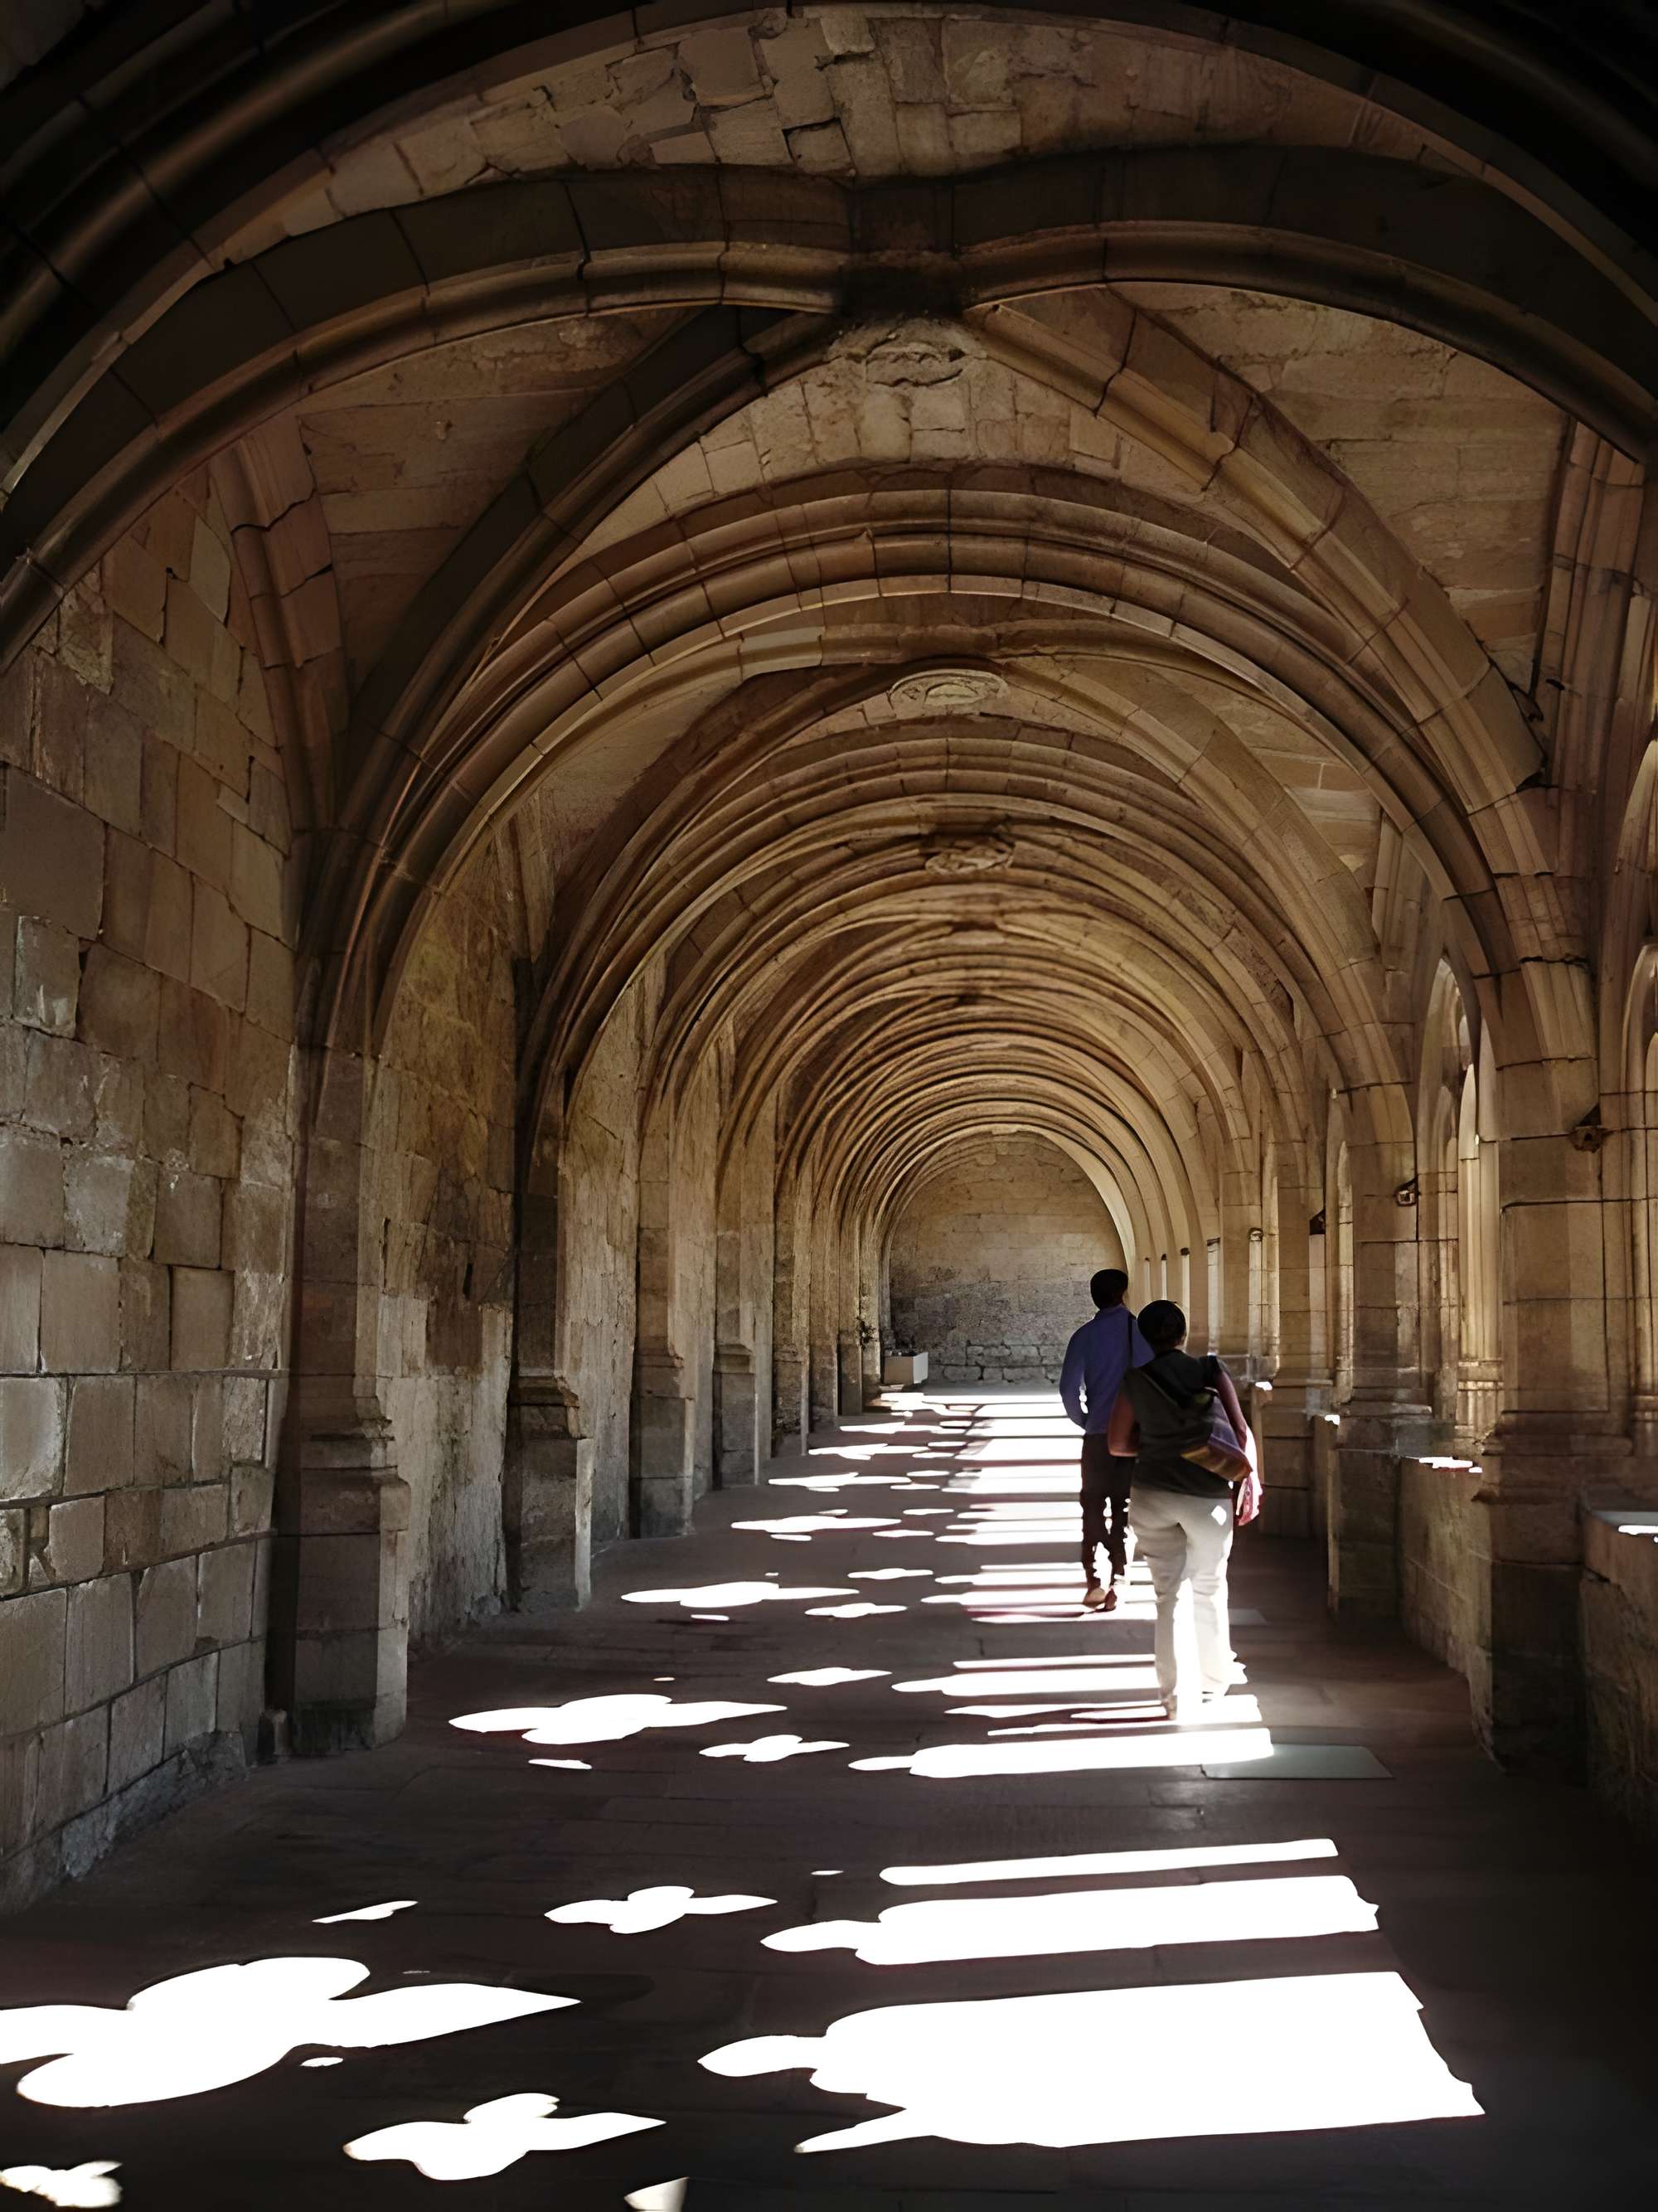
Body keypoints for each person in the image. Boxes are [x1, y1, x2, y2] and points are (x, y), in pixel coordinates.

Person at [1108, 1299, 1262, 1715]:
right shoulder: (1210, 1370)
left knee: (1167, 1595)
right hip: (1206, 1496)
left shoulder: (1136, 1379)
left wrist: (1161, 1445)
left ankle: (1172, 1695)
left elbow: (1117, 1444)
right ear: (1183, 1334)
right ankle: (1214, 1682)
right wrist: (1250, 1480)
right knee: (1210, 1587)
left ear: (1145, 1338)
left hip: (1152, 1493)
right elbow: (1240, 1429)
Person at [1059, 1269, 1151, 1612]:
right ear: (1124, 1292)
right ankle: (1119, 1576)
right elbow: (1149, 1379)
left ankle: (1093, 1578)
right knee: (1123, 1505)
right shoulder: (1139, 1334)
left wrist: (1085, 1419)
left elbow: (1069, 1388)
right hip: (1130, 1436)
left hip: (1098, 1434)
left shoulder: (1084, 1336)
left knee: (1093, 1504)